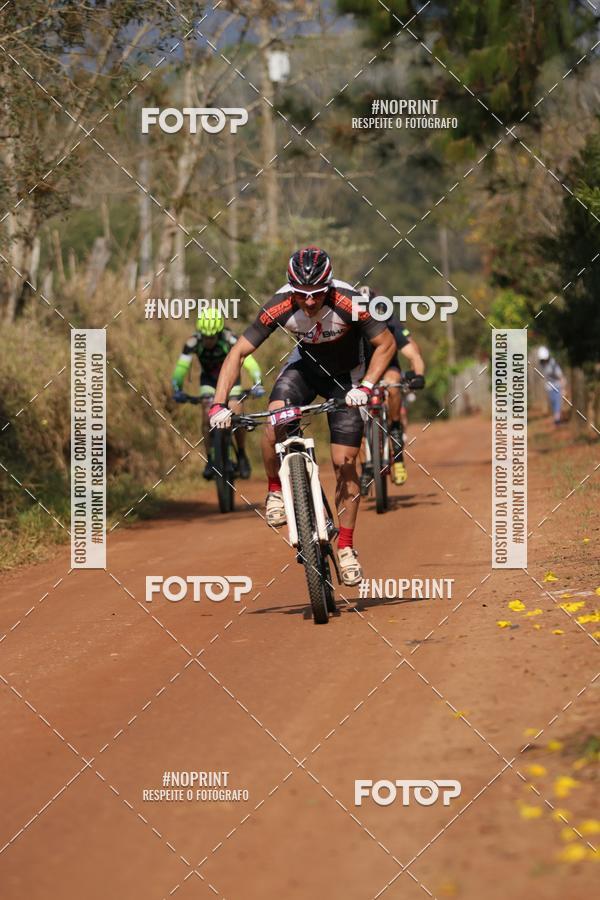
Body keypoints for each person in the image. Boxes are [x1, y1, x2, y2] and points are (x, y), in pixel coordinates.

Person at [208, 246, 398, 586]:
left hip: (348, 379)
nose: (309, 301)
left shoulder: (349, 302)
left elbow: (386, 345)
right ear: (291, 288)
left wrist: (367, 386)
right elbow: (238, 352)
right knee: (275, 420)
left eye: (317, 293)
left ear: (329, 285)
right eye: (301, 293)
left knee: (344, 463)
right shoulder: (280, 304)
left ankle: (346, 548)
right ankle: (275, 490)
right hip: (305, 371)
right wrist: (218, 404)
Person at [172, 309, 265, 479]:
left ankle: (242, 455)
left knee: (236, 409)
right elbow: (181, 367)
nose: (208, 341)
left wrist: (257, 381)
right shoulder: (193, 342)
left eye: (212, 337)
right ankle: (210, 460)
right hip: (208, 381)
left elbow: (249, 361)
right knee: (206, 416)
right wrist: (177, 387)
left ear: (219, 333)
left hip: (231, 381)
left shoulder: (230, 339)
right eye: (205, 337)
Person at [358, 288, 426, 490]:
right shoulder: (348, 326)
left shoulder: (389, 323)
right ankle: (366, 466)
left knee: (393, 383)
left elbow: (413, 354)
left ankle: (395, 426)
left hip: (388, 368)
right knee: (353, 420)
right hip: (360, 371)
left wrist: (419, 375)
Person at [537, 346, 565, 425]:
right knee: (553, 403)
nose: (544, 361)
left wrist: (563, 388)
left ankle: (557, 420)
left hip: (557, 385)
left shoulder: (553, 364)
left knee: (557, 402)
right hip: (549, 386)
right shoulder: (542, 364)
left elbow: (560, 376)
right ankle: (556, 418)